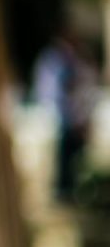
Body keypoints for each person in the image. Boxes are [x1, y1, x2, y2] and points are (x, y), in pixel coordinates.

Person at [34, 27, 100, 202]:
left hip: (70, 117)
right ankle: (66, 190)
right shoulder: (57, 59)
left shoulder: (68, 58)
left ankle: (70, 189)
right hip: (64, 118)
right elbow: (59, 92)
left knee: (73, 156)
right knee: (67, 156)